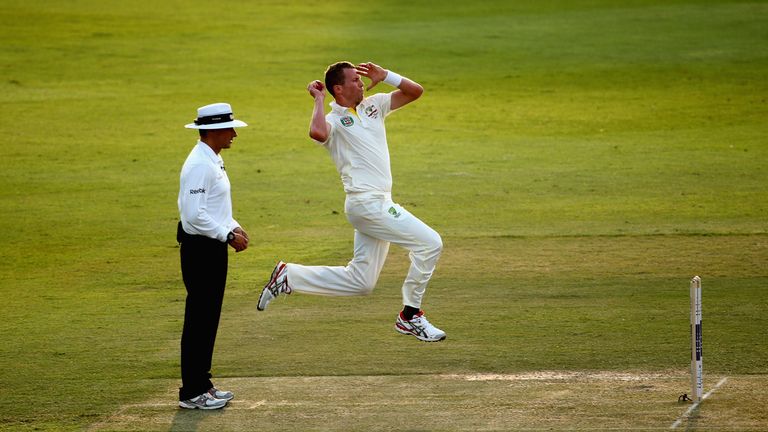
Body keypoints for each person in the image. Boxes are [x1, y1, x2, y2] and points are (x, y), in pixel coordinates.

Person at [257, 62, 446, 342]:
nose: (361, 83)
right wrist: (319, 100)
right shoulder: (333, 120)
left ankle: (290, 276)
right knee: (431, 243)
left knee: (362, 282)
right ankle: (410, 316)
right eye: (355, 80)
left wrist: (387, 76)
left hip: (378, 203)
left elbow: (415, 91)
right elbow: (317, 133)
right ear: (338, 88)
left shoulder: (375, 106)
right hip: (367, 204)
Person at [177, 102, 250, 409]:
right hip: (201, 249)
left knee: (208, 318)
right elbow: (194, 216)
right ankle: (193, 391)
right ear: (214, 131)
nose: (234, 133)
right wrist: (226, 234)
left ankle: (202, 384)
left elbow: (214, 206)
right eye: (229, 129)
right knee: (200, 319)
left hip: (211, 246)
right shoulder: (199, 165)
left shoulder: (212, 159)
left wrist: (232, 224)